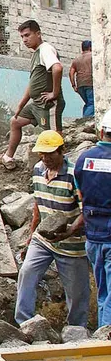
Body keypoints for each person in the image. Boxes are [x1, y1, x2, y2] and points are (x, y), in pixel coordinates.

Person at [14, 130, 90, 327]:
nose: (46, 158)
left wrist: (71, 229)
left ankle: (76, 331)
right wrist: (32, 235)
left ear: (61, 151)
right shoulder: (38, 170)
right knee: (27, 272)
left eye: (50, 154)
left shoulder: (74, 175)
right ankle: (24, 324)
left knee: (76, 292)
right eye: (43, 154)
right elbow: (38, 205)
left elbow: (86, 211)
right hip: (43, 238)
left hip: (72, 244)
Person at [0, 20, 66, 170]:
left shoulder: (46, 49)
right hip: (36, 104)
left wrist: (55, 92)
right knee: (15, 122)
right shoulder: (36, 53)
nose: (24, 40)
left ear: (38, 34)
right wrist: (21, 104)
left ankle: (60, 169)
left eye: (27, 35)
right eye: (22, 37)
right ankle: (8, 157)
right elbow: (33, 83)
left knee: (54, 136)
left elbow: (57, 68)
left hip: (48, 104)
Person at [73, 110, 111, 327]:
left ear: (102, 131)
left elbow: (81, 195)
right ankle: (106, 341)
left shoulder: (84, 159)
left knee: (103, 291)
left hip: (93, 237)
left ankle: (100, 334)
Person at [70, 40, 94, 117]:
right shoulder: (93, 56)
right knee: (92, 103)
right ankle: (86, 120)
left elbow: (71, 72)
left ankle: (84, 119)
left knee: (88, 103)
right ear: (90, 47)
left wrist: (73, 85)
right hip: (90, 83)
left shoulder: (76, 59)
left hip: (80, 85)